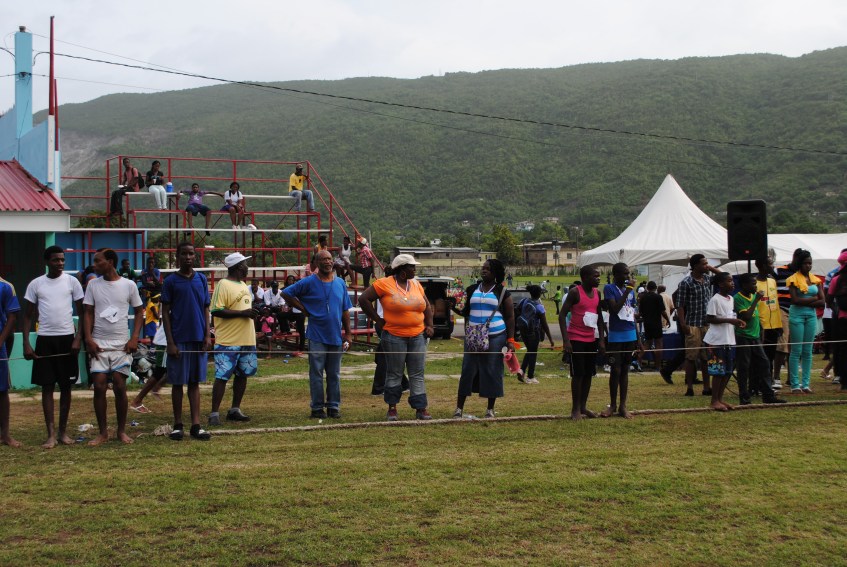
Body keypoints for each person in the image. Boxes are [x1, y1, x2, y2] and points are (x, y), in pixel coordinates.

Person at [21, 246, 85, 448]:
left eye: (62, 260)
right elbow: (28, 316)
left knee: (66, 386)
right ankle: (50, 434)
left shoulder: (72, 282)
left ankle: (62, 433)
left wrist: (78, 338)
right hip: (45, 340)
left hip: (67, 339)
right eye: (56, 260)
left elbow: (83, 313)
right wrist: (26, 343)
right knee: (47, 386)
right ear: (47, 261)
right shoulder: (36, 284)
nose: (60, 263)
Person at [359, 253, 435, 421]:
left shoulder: (416, 284)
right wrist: (377, 320)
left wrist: (429, 325)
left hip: (418, 336)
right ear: (402, 270)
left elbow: (427, 306)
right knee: (394, 372)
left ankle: (421, 408)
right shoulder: (384, 284)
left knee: (417, 373)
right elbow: (364, 299)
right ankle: (392, 408)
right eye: (412, 267)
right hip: (394, 337)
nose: (415, 269)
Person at [83, 248, 144, 446]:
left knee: (119, 385)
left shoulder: (129, 285)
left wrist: (134, 338)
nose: (94, 265)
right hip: (99, 343)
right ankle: (102, 433)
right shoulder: (93, 285)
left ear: (110, 262)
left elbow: (139, 311)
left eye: (97, 261)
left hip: (121, 344)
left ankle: (121, 431)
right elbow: (88, 313)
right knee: (99, 386)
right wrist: (88, 339)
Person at [282, 250, 353, 418]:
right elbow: (285, 293)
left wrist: (348, 333)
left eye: (329, 259)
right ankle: (317, 408)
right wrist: (303, 309)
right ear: (316, 263)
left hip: (335, 335)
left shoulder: (340, 283)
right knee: (317, 373)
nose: (327, 262)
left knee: (334, 373)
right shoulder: (308, 281)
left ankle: (333, 406)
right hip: (316, 336)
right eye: (323, 259)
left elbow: (345, 309)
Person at [452, 259, 517, 418]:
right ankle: (459, 409)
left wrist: (510, 340)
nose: (484, 271)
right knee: (468, 369)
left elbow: (510, 316)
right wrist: (452, 306)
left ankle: (490, 409)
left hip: (496, 335)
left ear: (495, 272)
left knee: (492, 369)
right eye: (483, 268)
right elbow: (465, 311)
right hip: (473, 335)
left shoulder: (502, 291)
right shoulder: (472, 289)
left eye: (488, 269)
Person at [161, 242, 213, 441]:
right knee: (177, 383)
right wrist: (170, 342)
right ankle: (178, 425)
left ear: (195, 256)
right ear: (177, 256)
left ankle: (196, 425)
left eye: (191, 254)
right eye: (184, 254)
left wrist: (207, 335)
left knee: (194, 382)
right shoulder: (170, 281)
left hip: (198, 338)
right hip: (179, 338)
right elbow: (165, 313)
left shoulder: (201, 279)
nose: (188, 257)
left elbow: (206, 308)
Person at [209, 252, 257, 425]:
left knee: (243, 375)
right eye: (245, 264)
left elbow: (243, 309)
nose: (247, 267)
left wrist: (251, 313)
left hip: (246, 338)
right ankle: (214, 413)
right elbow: (216, 310)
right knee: (222, 376)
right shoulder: (223, 284)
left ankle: (235, 409)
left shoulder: (243, 285)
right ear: (238, 267)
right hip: (228, 340)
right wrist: (242, 313)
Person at [667, 254, 721, 396]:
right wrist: (683, 324)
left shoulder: (708, 279)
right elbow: (679, 305)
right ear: (695, 266)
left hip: (706, 324)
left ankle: (706, 387)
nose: (706, 266)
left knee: (705, 357)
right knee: (691, 357)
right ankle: (689, 387)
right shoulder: (686, 282)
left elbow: (723, 276)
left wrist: (710, 268)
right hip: (692, 324)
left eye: (707, 263)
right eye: (704, 263)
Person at [559, 265, 606, 420]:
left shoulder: (597, 293)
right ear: (585, 277)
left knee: (588, 374)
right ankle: (575, 409)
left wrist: (601, 340)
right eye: (595, 276)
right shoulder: (575, 292)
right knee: (578, 374)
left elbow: (599, 317)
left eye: (599, 276)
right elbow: (562, 315)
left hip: (591, 338)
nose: (598, 279)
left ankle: (583, 407)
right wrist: (566, 340)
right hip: (576, 338)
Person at [733, 273, 786, 405]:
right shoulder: (738, 298)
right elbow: (746, 316)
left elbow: (756, 316)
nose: (755, 286)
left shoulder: (752, 296)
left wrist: (761, 332)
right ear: (744, 285)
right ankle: (744, 396)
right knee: (744, 367)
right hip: (743, 337)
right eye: (753, 284)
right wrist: (756, 300)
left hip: (755, 336)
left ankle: (768, 395)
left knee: (765, 364)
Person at [601, 263, 643, 418]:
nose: (627, 276)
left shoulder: (629, 291)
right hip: (616, 335)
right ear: (616, 274)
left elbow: (631, 314)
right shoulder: (609, 288)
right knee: (615, 370)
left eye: (628, 273)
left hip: (630, 334)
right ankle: (612, 405)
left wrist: (638, 338)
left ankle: (623, 406)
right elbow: (615, 309)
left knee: (625, 370)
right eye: (625, 274)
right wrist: (628, 290)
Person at [702, 272, 745, 411]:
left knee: (727, 371)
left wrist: (736, 322)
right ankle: (714, 400)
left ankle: (720, 399)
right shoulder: (715, 300)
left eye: (732, 281)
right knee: (718, 372)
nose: (732, 283)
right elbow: (709, 318)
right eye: (729, 281)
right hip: (715, 341)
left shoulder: (731, 299)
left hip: (729, 340)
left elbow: (730, 316)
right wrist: (730, 320)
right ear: (720, 284)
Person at [786, 250, 825, 393]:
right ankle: (795, 384)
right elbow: (795, 300)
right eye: (805, 263)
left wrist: (808, 301)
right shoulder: (792, 279)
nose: (808, 266)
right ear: (799, 264)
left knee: (808, 350)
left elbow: (822, 301)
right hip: (797, 315)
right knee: (796, 350)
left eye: (810, 263)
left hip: (811, 316)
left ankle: (806, 384)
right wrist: (814, 299)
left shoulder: (816, 280)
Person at [755, 255, 783, 391]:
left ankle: (768, 383)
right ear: (763, 266)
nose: (773, 266)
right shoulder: (754, 283)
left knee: (770, 356)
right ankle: (759, 384)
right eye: (771, 264)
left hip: (774, 325)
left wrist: (779, 324)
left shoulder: (772, 281)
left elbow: (775, 303)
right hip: (761, 326)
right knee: (762, 357)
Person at [516, 284, 554, 385]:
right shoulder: (539, 307)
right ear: (539, 294)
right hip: (534, 332)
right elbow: (544, 325)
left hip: (523, 330)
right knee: (533, 353)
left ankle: (521, 370)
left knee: (530, 350)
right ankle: (530, 377)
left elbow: (517, 310)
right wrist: (551, 339)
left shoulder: (524, 301)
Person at [0, 274, 21, 447]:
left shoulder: (6, 286)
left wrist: (0, 341)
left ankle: (5, 435)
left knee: (2, 390)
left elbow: (12, 317)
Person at [825, 251, 847, 390]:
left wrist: (836, 310)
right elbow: (828, 300)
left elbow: (828, 300)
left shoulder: (836, 279)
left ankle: (843, 379)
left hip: (841, 319)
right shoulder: (836, 279)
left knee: (842, 350)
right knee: (842, 350)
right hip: (842, 319)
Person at [639, 281, 669, 378]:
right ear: (655, 288)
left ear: (647, 288)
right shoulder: (658, 297)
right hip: (656, 323)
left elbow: (640, 312)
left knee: (647, 344)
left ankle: (638, 360)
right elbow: (662, 311)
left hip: (647, 324)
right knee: (658, 344)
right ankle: (658, 366)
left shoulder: (643, 298)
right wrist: (668, 319)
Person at [284, 275, 307, 354]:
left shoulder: (303, 292)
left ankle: (301, 349)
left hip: (300, 313)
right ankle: (285, 329)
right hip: (293, 312)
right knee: (281, 315)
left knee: (301, 331)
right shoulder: (293, 290)